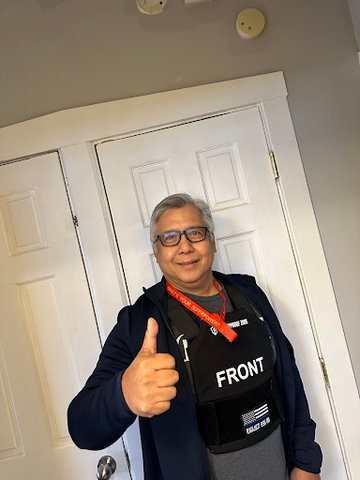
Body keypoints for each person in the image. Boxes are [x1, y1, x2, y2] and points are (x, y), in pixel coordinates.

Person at [68, 193, 322, 480]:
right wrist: (123, 394)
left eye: (195, 233)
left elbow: (289, 380)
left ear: (212, 241)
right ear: (156, 252)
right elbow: (81, 428)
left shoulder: (250, 294)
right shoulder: (138, 323)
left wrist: (307, 461)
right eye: (170, 237)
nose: (184, 246)